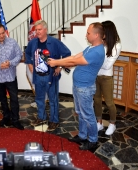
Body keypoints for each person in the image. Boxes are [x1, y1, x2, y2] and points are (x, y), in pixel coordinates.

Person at [47, 22, 105, 150]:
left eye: (88, 33)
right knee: (81, 113)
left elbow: (74, 61)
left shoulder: (97, 52)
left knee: (88, 115)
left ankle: (93, 141)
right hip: (79, 86)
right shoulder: (91, 48)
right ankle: (83, 135)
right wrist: (60, 63)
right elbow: (74, 57)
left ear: (96, 35)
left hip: (84, 88)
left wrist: (56, 62)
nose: (86, 35)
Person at [25, 20, 71, 131]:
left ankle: (54, 120)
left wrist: (59, 66)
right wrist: (30, 64)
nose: (37, 32)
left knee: (53, 99)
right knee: (39, 99)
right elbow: (27, 53)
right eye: (36, 30)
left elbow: (67, 54)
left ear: (46, 30)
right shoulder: (33, 43)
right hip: (38, 77)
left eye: (39, 29)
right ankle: (41, 117)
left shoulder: (55, 42)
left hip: (51, 77)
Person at [0, 23, 24, 130]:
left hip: (11, 76)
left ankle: (15, 119)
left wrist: (10, 63)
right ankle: (6, 116)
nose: (2, 36)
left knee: (14, 99)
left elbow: (19, 55)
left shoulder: (12, 42)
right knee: (2, 100)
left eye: (3, 33)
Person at [94, 20, 121, 135]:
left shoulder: (116, 45)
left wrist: (96, 60)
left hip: (106, 78)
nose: (101, 33)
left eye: (103, 31)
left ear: (108, 31)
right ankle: (99, 123)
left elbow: (107, 65)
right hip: (96, 76)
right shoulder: (100, 42)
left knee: (109, 102)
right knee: (97, 100)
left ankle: (112, 123)